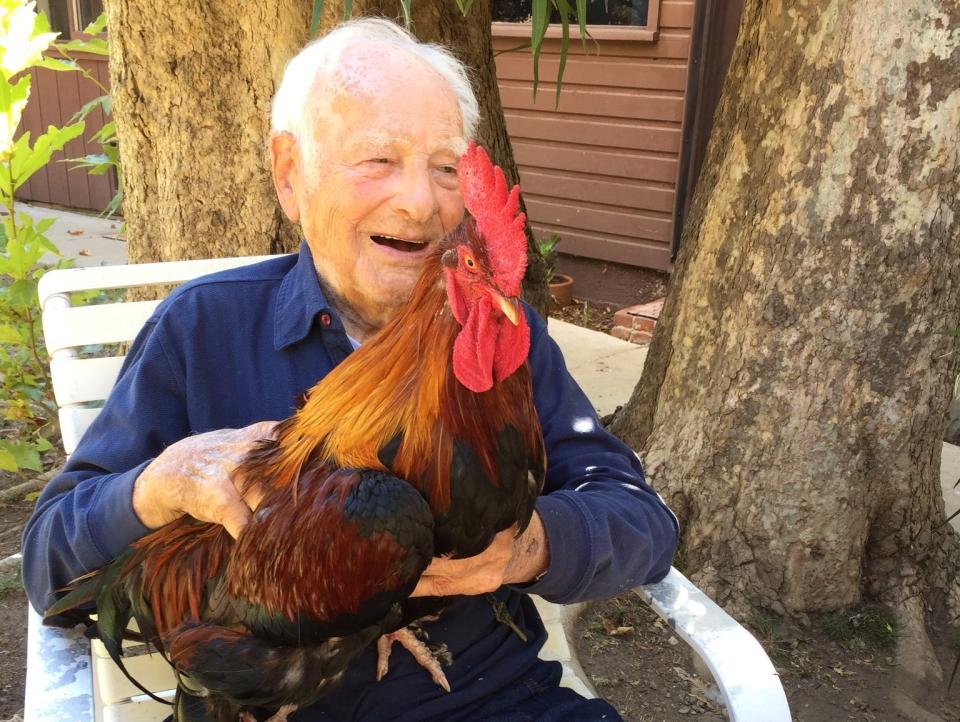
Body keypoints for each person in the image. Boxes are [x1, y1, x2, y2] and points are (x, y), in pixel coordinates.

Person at [22, 18, 678, 721]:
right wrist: (158, 487)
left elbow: (640, 519)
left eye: (445, 166)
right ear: (288, 175)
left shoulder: (497, 337)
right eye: (378, 160)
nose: (420, 202)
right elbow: (50, 561)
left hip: (489, 695)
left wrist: (528, 549)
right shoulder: (200, 329)